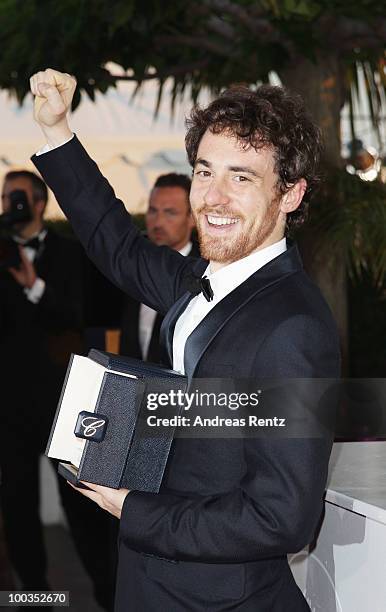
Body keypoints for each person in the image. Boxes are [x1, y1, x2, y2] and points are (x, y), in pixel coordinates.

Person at [30, 69, 340, 612]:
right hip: (152, 583)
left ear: (290, 194)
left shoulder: (295, 329)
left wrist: (135, 510)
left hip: (217, 600)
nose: (213, 198)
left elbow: (283, 516)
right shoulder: (201, 278)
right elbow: (116, 244)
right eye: (204, 172)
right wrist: (58, 132)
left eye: (241, 177)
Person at [0, 170, 114, 610]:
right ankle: (37, 599)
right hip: (10, 408)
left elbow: (78, 317)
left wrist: (35, 287)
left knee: (81, 505)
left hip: (65, 403)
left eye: (19, 197)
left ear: (40, 203)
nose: (12, 205)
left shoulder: (71, 254)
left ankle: (108, 595)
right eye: (7, 197)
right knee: (18, 507)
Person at [119, 172, 198, 362]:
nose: (158, 222)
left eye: (170, 212)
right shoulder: (132, 263)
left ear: (192, 219)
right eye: (153, 210)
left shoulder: (206, 272)